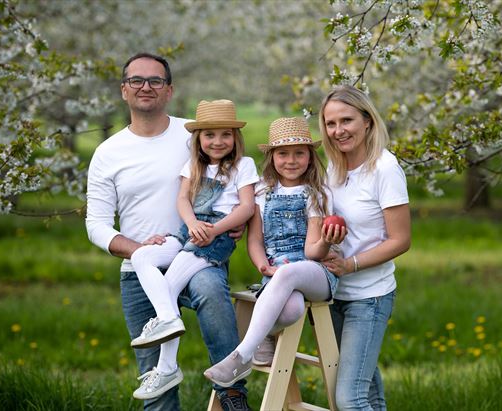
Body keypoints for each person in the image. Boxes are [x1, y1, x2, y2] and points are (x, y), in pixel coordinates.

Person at [85, 53, 251, 410]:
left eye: (155, 80)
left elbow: (238, 180)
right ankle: (165, 373)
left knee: (211, 293)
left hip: (198, 254)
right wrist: (137, 249)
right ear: (124, 90)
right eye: (136, 80)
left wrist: (236, 222)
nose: (146, 87)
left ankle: (233, 392)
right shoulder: (107, 152)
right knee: (155, 385)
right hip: (140, 269)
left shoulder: (197, 134)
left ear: (169, 90)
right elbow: (95, 224)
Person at [128, 99, 258, 399]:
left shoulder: (243, 165)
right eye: (209, 135)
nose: (217, 141)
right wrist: (191, 223)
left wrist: (216, 229)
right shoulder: (193, 166)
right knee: (142, 256)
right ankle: (167, 320)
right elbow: (183, 200)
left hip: (217, 234)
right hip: (189, 229)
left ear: (235, 137)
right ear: (198, 138)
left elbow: (246, 207)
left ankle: (166, 367)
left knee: (170, 284)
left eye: (225, 135)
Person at [203, 117, 339, 388]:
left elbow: (313, 252)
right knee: (291, 309)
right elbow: (255, 240)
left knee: (290, 273)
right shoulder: (263, 192)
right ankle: (264, 335)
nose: (291, 160)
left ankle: (241, 355)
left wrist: (326, 241)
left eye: (299, 153)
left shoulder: (317, 193)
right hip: (276, 271)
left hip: (315, 272)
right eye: (283, 154)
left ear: (310, 157)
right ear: (272, 157)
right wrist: (262, 266)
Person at [318, 85, 411, 410]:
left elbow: (401, 240)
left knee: (349, 399)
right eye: (331, 123)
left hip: (368, 297)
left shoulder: (384, 168)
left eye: (347, 120)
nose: (338, 130)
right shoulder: (333, 167)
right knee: (366, 393)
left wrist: (351, 264)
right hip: (333, 294)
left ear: (367, 120)